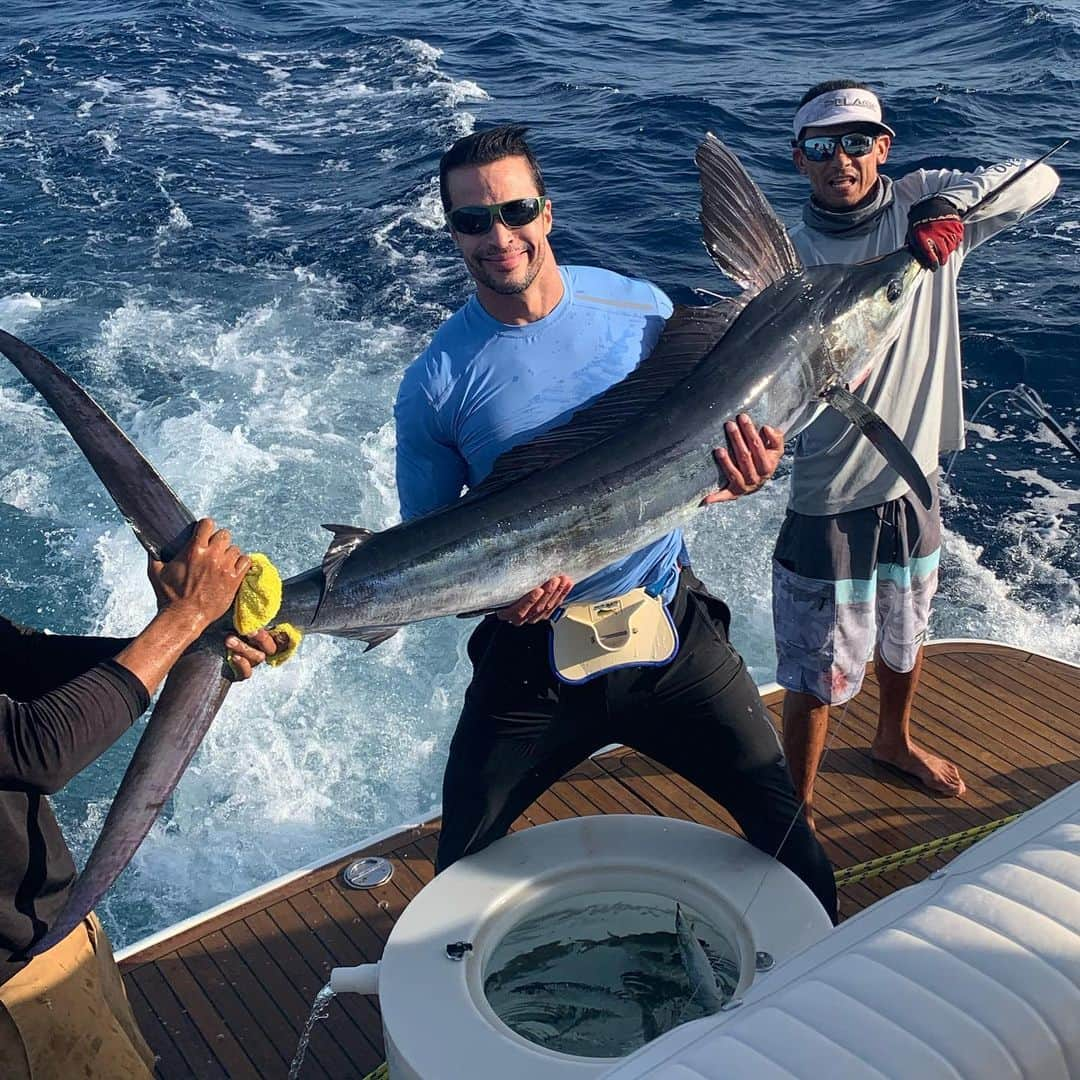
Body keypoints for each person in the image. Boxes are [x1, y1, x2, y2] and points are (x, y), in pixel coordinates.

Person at [394, 124, 838, 922]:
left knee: (796, 851)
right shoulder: (435, 381)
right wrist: (493, 601)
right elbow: (427, 551)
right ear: (452, 232)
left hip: (667, 629)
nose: (499, 236)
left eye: (515, 210)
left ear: (547, 213)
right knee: (454, 877)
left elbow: (702, 463)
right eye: (471, 221)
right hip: (532, 658)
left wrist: (750, 473)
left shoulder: (640, 310)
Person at [774, 80, 1060, 829]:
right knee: (816, 664)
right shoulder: (787, 260)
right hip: (828, 491)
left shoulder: (924, 206)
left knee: (908, 625)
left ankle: (892, 740)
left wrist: (947, 208)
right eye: (821, 147)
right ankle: (795, 806)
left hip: (914, 475)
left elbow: (1045, 176)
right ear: (800, 160)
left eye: (858, 141)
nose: (842, 158)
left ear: (884, 147)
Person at [1, 518, 277, 1078]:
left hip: (52, 927)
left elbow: (20, 661)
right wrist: (186, 616)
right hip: (13, 988)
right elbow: (38, 748)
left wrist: (180, 645)